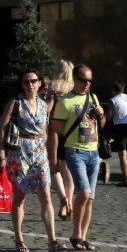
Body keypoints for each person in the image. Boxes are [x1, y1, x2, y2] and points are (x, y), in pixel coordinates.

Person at [0, 70, 62, 252]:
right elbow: (2, 129)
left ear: (39, 83)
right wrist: (2, 154)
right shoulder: (16, 102)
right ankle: (19, 239)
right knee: (19, 197)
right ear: (22, 85)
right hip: (20, 154)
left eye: (33, 81)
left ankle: (52, 241)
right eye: (26, 82)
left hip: (39, 153)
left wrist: (51, 155)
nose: (30, 84)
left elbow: (45, 130)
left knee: (46, 196)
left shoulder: (43, 105)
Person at [49, 62, 105, 252]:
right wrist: (54, 159)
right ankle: (75, 233)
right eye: (83, 80)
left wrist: (102, 115)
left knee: (90, 198)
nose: (87, 83)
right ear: (75, 78)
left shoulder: (93, 98)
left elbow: (100, 126)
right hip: (74, 151)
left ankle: (82, 236)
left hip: (93, 151)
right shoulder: (65, 102)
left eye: (90, 80)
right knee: (84, 193)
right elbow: (55, 131)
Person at [45, 59, 75, 220]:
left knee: (54, 166)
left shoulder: (54, 85)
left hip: (55, 130)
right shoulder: (74, 86)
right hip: (71, 130)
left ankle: (64, 200)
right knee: (68, 168)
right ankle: (69, 202)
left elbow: (48, 108)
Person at [107, 81, 127, 187]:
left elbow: (108, 116)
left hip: (119, 126)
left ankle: (126, 180)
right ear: (123, 89)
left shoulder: (113, 100)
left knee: (122, 153)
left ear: (113, 90)